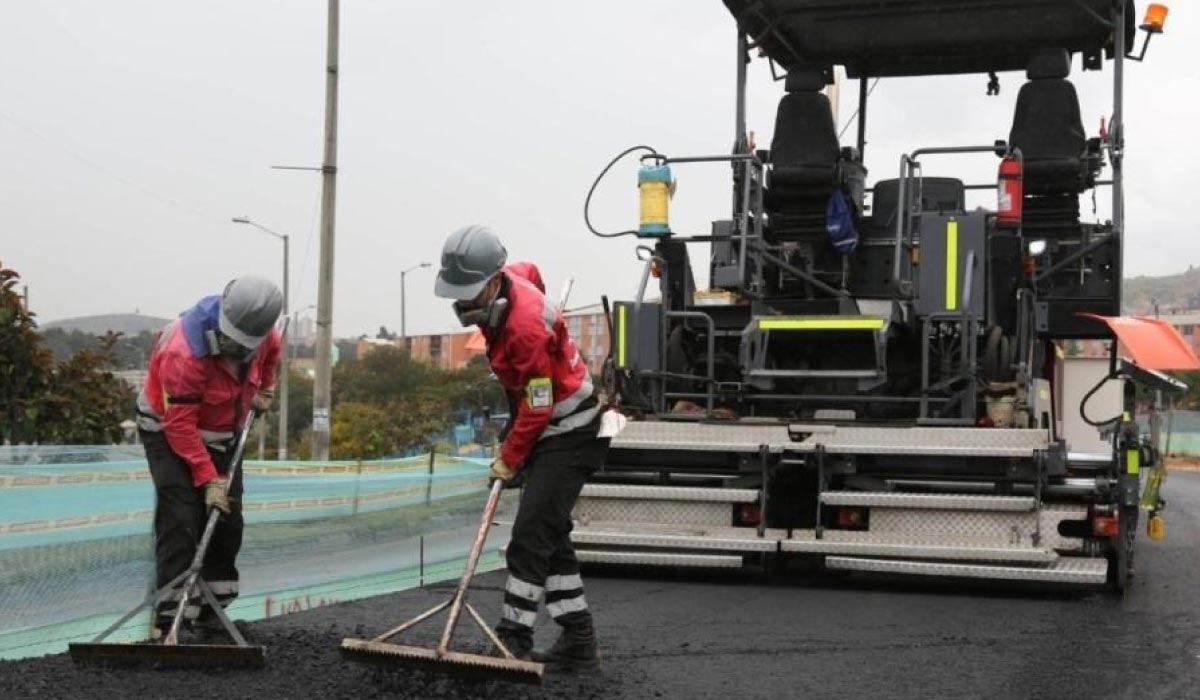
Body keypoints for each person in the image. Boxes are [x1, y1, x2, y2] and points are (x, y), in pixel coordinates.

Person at [433, 224, 609, 671]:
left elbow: (537, 405)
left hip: (571, 430)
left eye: (470, 293)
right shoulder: (512, 276)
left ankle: (513, 638)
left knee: (529, 539)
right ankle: (578, 638)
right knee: (549, 534)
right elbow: (531, 270)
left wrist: (510, 457)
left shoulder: (524, 328)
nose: (463, 302)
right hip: (542, 422)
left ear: (493, 282)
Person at [134, 277, 283, 638]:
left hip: (225, 434)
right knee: (183, 516)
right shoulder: (183, 353)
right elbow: (179, 425)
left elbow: (272, 356)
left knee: (228, 522)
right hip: (167, 433)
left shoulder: (263, 334)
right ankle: (172, 616)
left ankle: (212, 611)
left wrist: (265, 386)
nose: (239, 350)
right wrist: (207, 477)